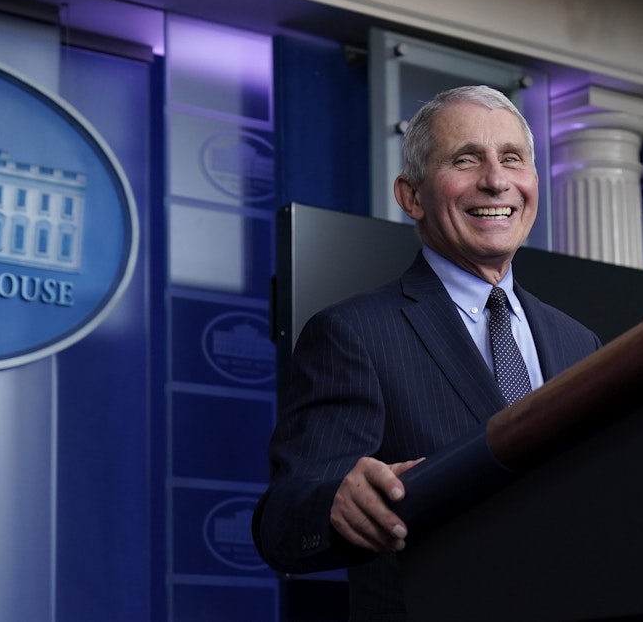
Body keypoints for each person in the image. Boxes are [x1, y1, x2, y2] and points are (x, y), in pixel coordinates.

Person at [252, 85, 602, 620]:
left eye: (512, 158)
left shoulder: (579, 343)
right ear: (411, 196)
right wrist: (335, 505)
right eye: (466, 159)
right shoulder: (353, 334)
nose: (495, 179)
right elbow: (283, 518)